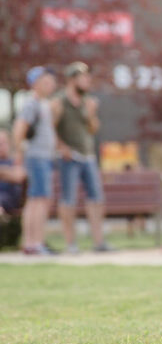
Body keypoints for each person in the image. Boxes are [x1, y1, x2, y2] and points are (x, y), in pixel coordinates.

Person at [53, 62, 110, 253]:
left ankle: (99, 242)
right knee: (68, 200)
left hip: (88, 156)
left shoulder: (88, 102)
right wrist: (62, 148)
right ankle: (71, 244)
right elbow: (50, 129)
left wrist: (92, 114)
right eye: (83, 77)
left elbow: (93, 129)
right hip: (69, 158)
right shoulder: (59, 101)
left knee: (96, 199)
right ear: (71, 79)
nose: (87, 81)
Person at [12, 66, 58, 254]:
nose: (51, 85)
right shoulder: (32, 103)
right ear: (36, 84)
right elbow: (19, 128)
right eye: (46, 81)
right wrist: (19, 155)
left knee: (37, 199)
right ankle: (34, 243)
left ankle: (32, 242)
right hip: (36, 157)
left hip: (44, 157)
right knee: (39, 199)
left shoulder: (44, 104)